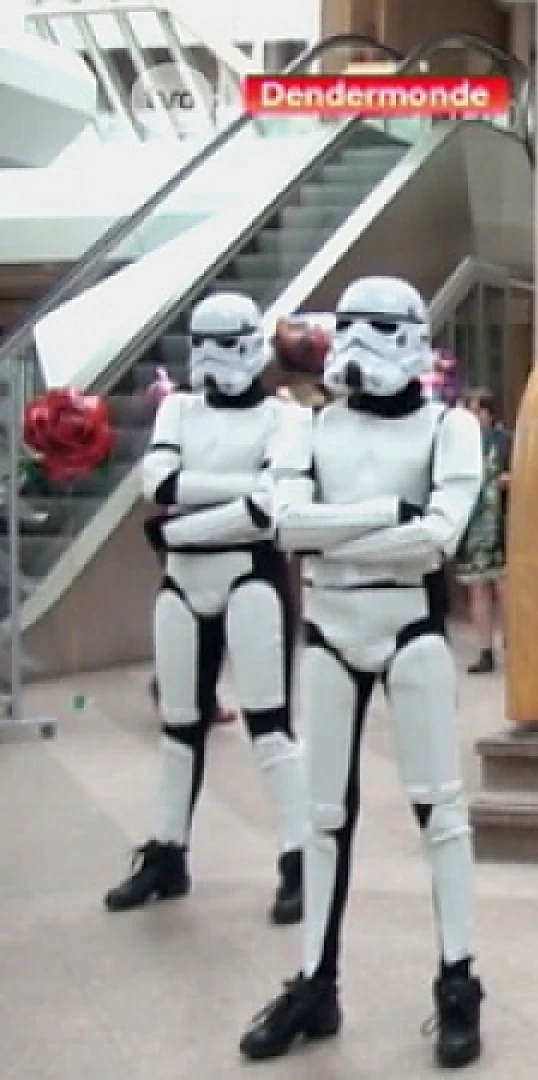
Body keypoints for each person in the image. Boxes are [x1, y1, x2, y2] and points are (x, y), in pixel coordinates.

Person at [238, 277, 488, 1069]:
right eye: (351, 326)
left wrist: (329, 533)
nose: (362, 344)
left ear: (413, 335)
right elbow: (282, 527)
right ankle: (315, 981)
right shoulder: (309, 427)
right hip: (330, 628)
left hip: (407, 624)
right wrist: (388, 517)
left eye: (380, 327)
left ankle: (458, 980)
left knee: (441, 812)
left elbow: (438, 541)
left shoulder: (451, 429)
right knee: (321, 818)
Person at [109, 292, 306, 925]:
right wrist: (241, 495)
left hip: (250, 580)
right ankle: (168, 854)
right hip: (185, 583)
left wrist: (183, 525)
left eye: (229, 342)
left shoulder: (285, 418)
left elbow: (272, 505)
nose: (217, 358)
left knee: (269, 728)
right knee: (177, 729)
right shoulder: (181, 412)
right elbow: (156, 485)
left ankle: (300, 860)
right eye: (206, 342)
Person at [454, 388, 510, 674]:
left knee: (504, 586)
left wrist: (504, 480)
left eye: (477, 411)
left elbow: (518, 473)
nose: (474, 417)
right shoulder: (459, 446)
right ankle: (485, 649)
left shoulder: (503, 442)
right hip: (471, 524)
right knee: (477, 589)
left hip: (499, 522)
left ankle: (515, 642)